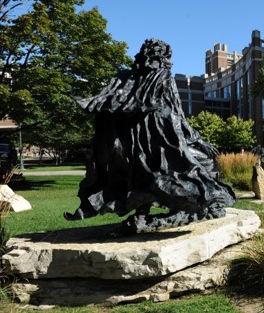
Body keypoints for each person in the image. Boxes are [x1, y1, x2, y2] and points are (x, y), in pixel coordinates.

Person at [63, 39, 235, 232]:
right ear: (164, 58)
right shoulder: (162, 78)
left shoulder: (124, 78)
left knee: (151, 171)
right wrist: (199, 140)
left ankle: (144, 212)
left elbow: (106, 103)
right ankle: (193, 206)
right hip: (158, 147)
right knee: (201, 162)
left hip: (131, 153)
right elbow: (178, 116)